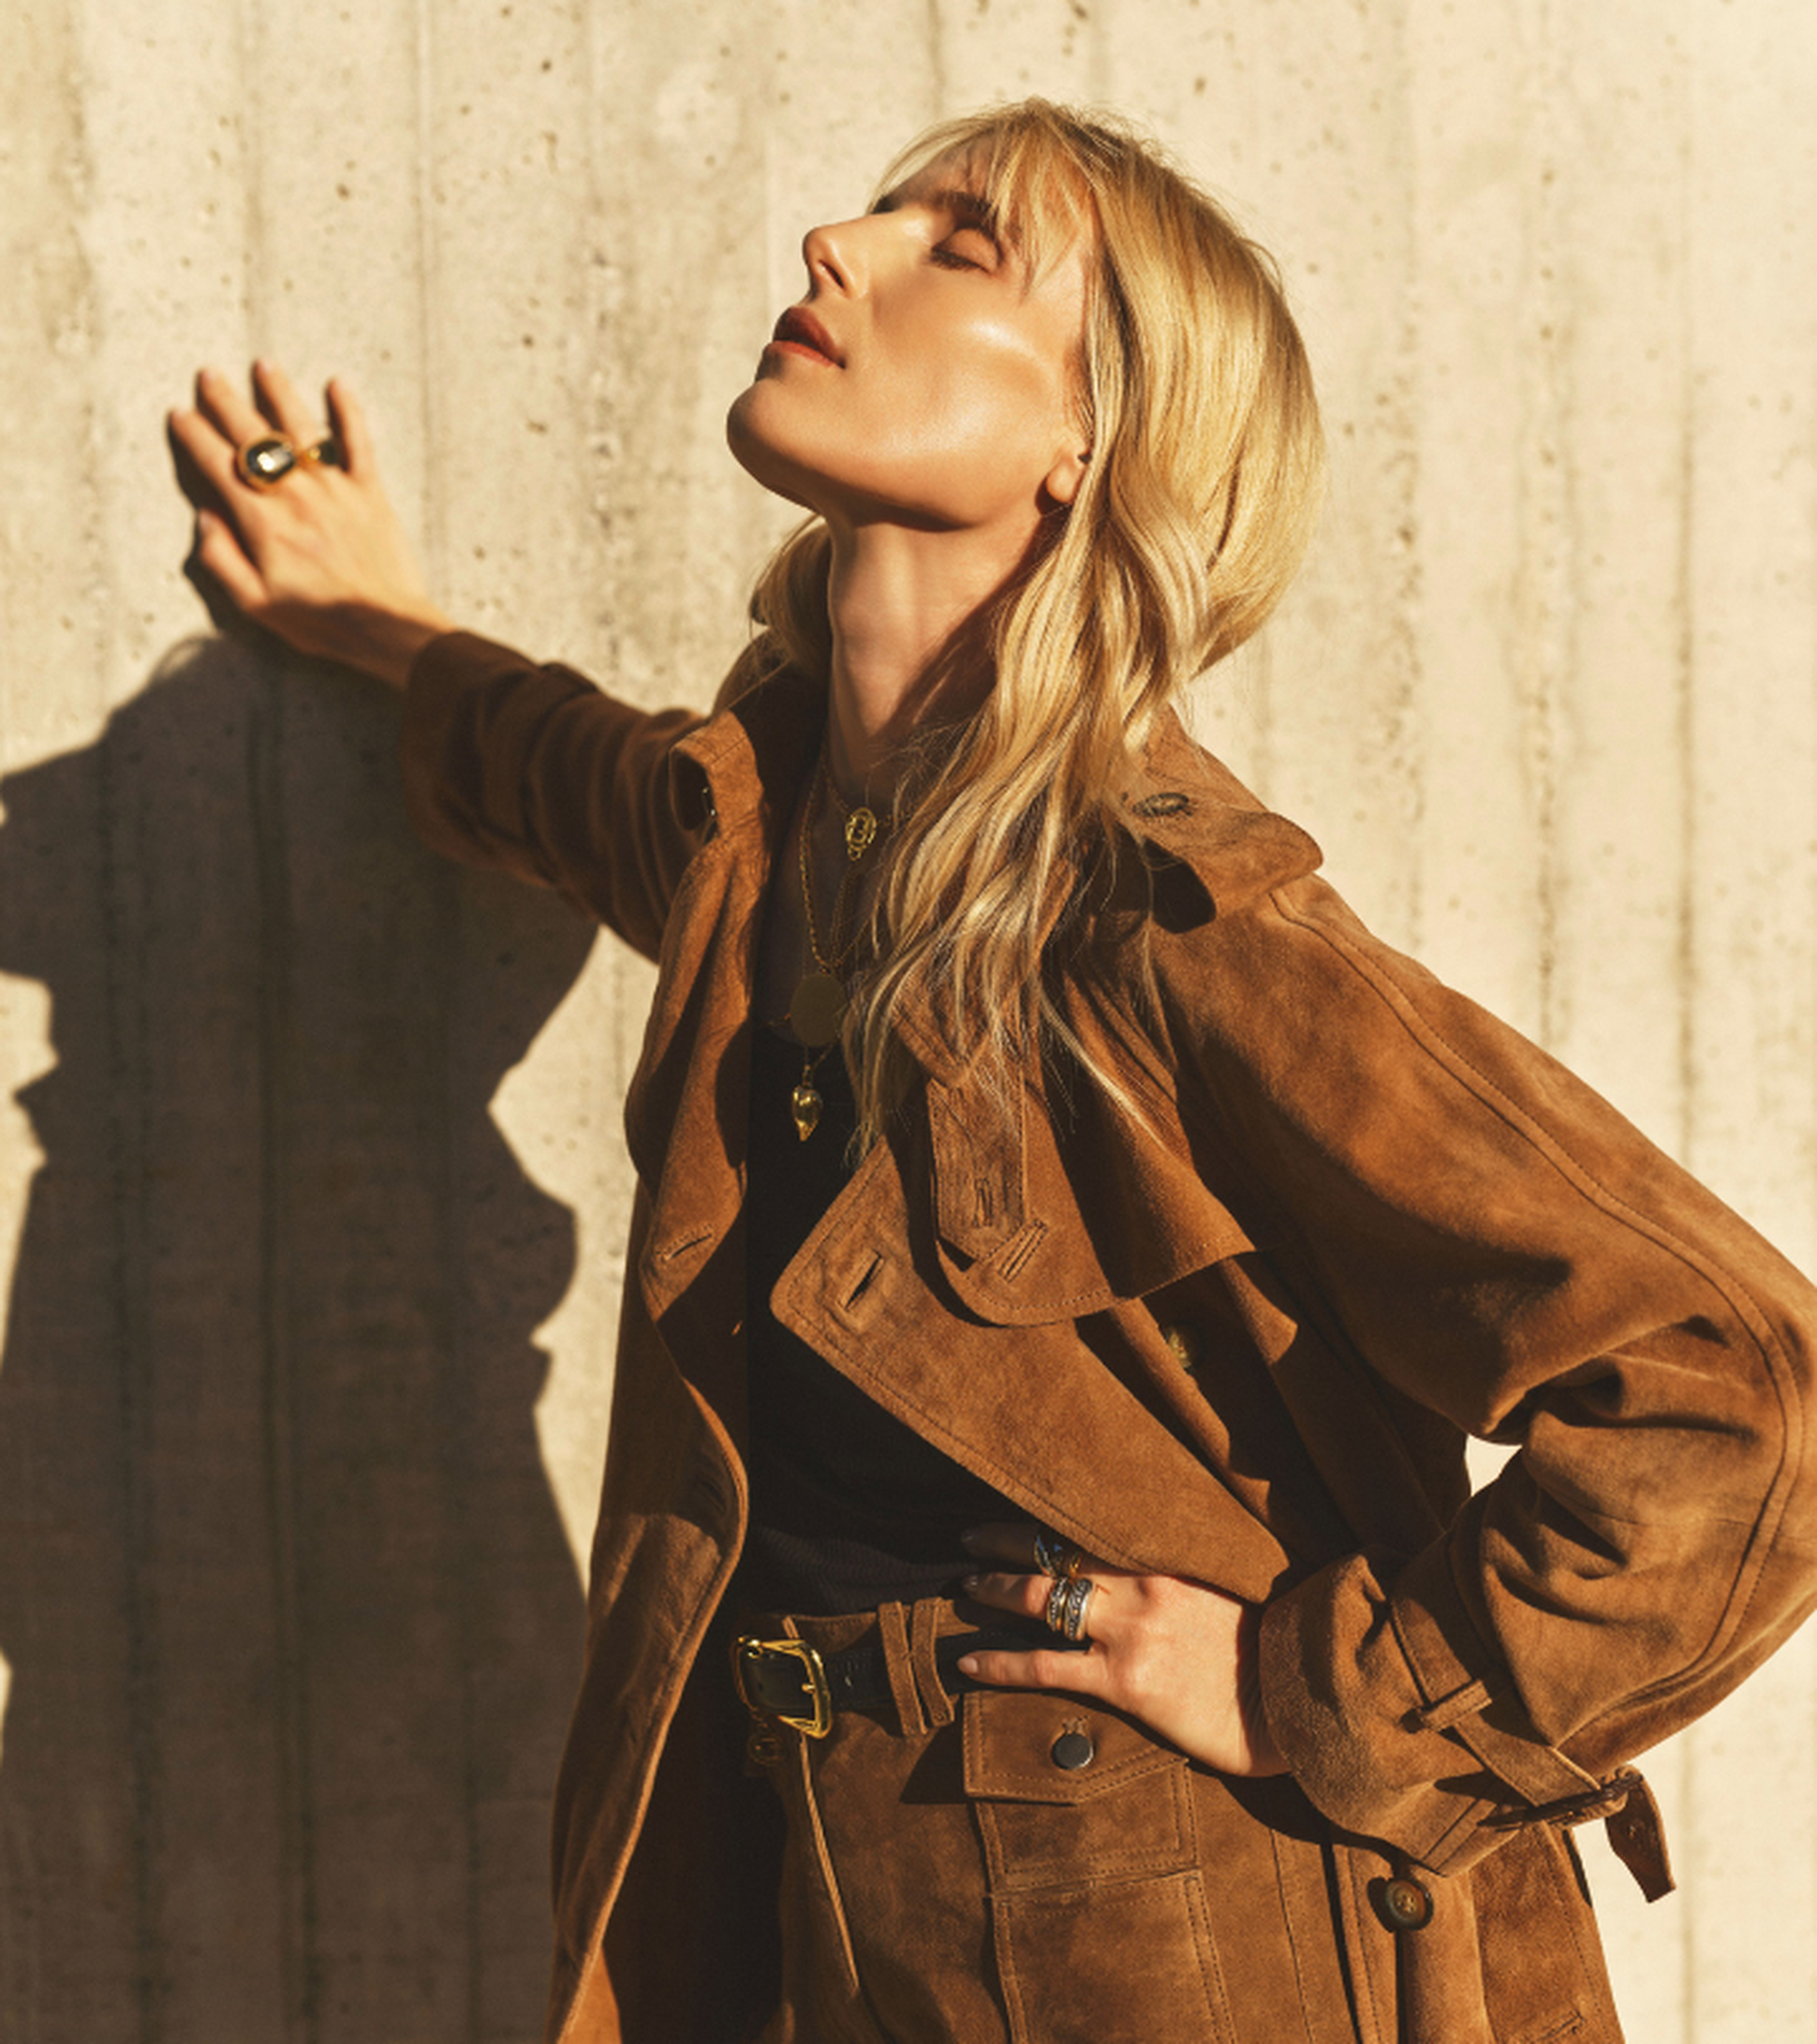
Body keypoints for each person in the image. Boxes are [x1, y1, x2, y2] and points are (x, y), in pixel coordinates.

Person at [170, 98, 1817, 2044]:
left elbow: (1737, 1390)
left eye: (954, 246)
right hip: (836, 1908)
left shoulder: (1167, 930)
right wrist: (377, 623)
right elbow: (575, 777)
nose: (835, 248)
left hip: (1188, 1943)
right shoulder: (761, 835)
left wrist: (1322, 1687)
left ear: (1086, 439)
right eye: (878, 211)